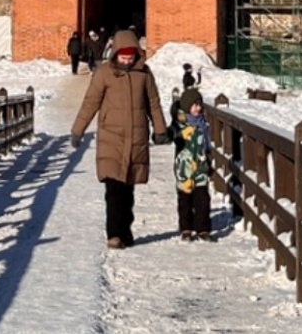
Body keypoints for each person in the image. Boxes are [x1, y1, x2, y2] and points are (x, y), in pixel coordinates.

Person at [70, 28, 170, 249]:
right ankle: (114, 234)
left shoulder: (144, 74)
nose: (127, 59)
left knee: (128, 191)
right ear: (115, 52)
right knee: (113, 189)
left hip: (136, 138)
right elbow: (90, 103)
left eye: (131, 55)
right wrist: (78, 130)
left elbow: (153, 103)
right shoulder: (104, 73)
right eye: (123, 55)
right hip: (111, 139)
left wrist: (160, 129)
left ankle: (125, 231)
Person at [172, 88, 212, 241]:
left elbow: (207, 144)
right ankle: (186, 228)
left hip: (201, 168)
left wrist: (209, 158)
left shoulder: (203, 124)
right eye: (194, 105)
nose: (198, 108)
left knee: (202, 199)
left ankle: (203, 228)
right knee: (185, 200)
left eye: (200, 104)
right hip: (185, 169)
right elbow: (172, 137)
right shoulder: (180, 125)